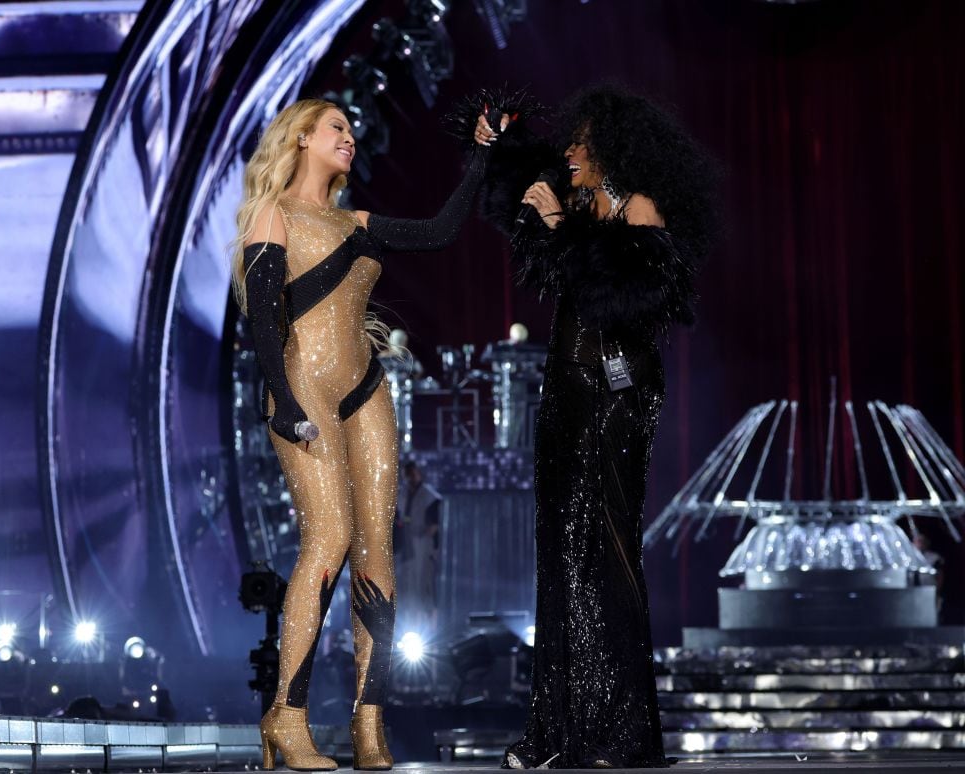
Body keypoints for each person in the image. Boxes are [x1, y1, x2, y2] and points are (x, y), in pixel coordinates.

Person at [453, 85, 718, 768]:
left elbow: (627, 296)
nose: (569, 152)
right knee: (560, 558)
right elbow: (512, 200)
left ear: (611, 152)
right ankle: (560, 733)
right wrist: (496, 145)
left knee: (602, 557)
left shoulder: (639, 209)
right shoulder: (575, 203)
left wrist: (565, 232)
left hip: (616, 396)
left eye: (580, 143)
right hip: (566, 395)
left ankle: (618, 732)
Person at [232, 98, 494, 771]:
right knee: (331, 537)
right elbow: (264, 322)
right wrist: (284, 402)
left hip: (366, 387)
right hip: (302, 386)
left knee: (380, 549)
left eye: (352, 128)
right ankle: (286, 717)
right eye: (336, 128)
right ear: (300, 140)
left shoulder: (359, 222)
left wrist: (481, 157)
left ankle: (368, 722)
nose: (350, 137)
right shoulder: (275, 215)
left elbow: (439, 231)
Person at [395, 460, 443, 630]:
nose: (409, 479)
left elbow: (434, 526)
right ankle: (410, 627)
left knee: (425, 589)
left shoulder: (429, 496)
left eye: (412, 474)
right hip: (407, 549)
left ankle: (430, 629)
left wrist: (422, 541)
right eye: (406, 475)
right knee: (408, 589)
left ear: (418, 474)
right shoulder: (402, 494)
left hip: (423, 548)